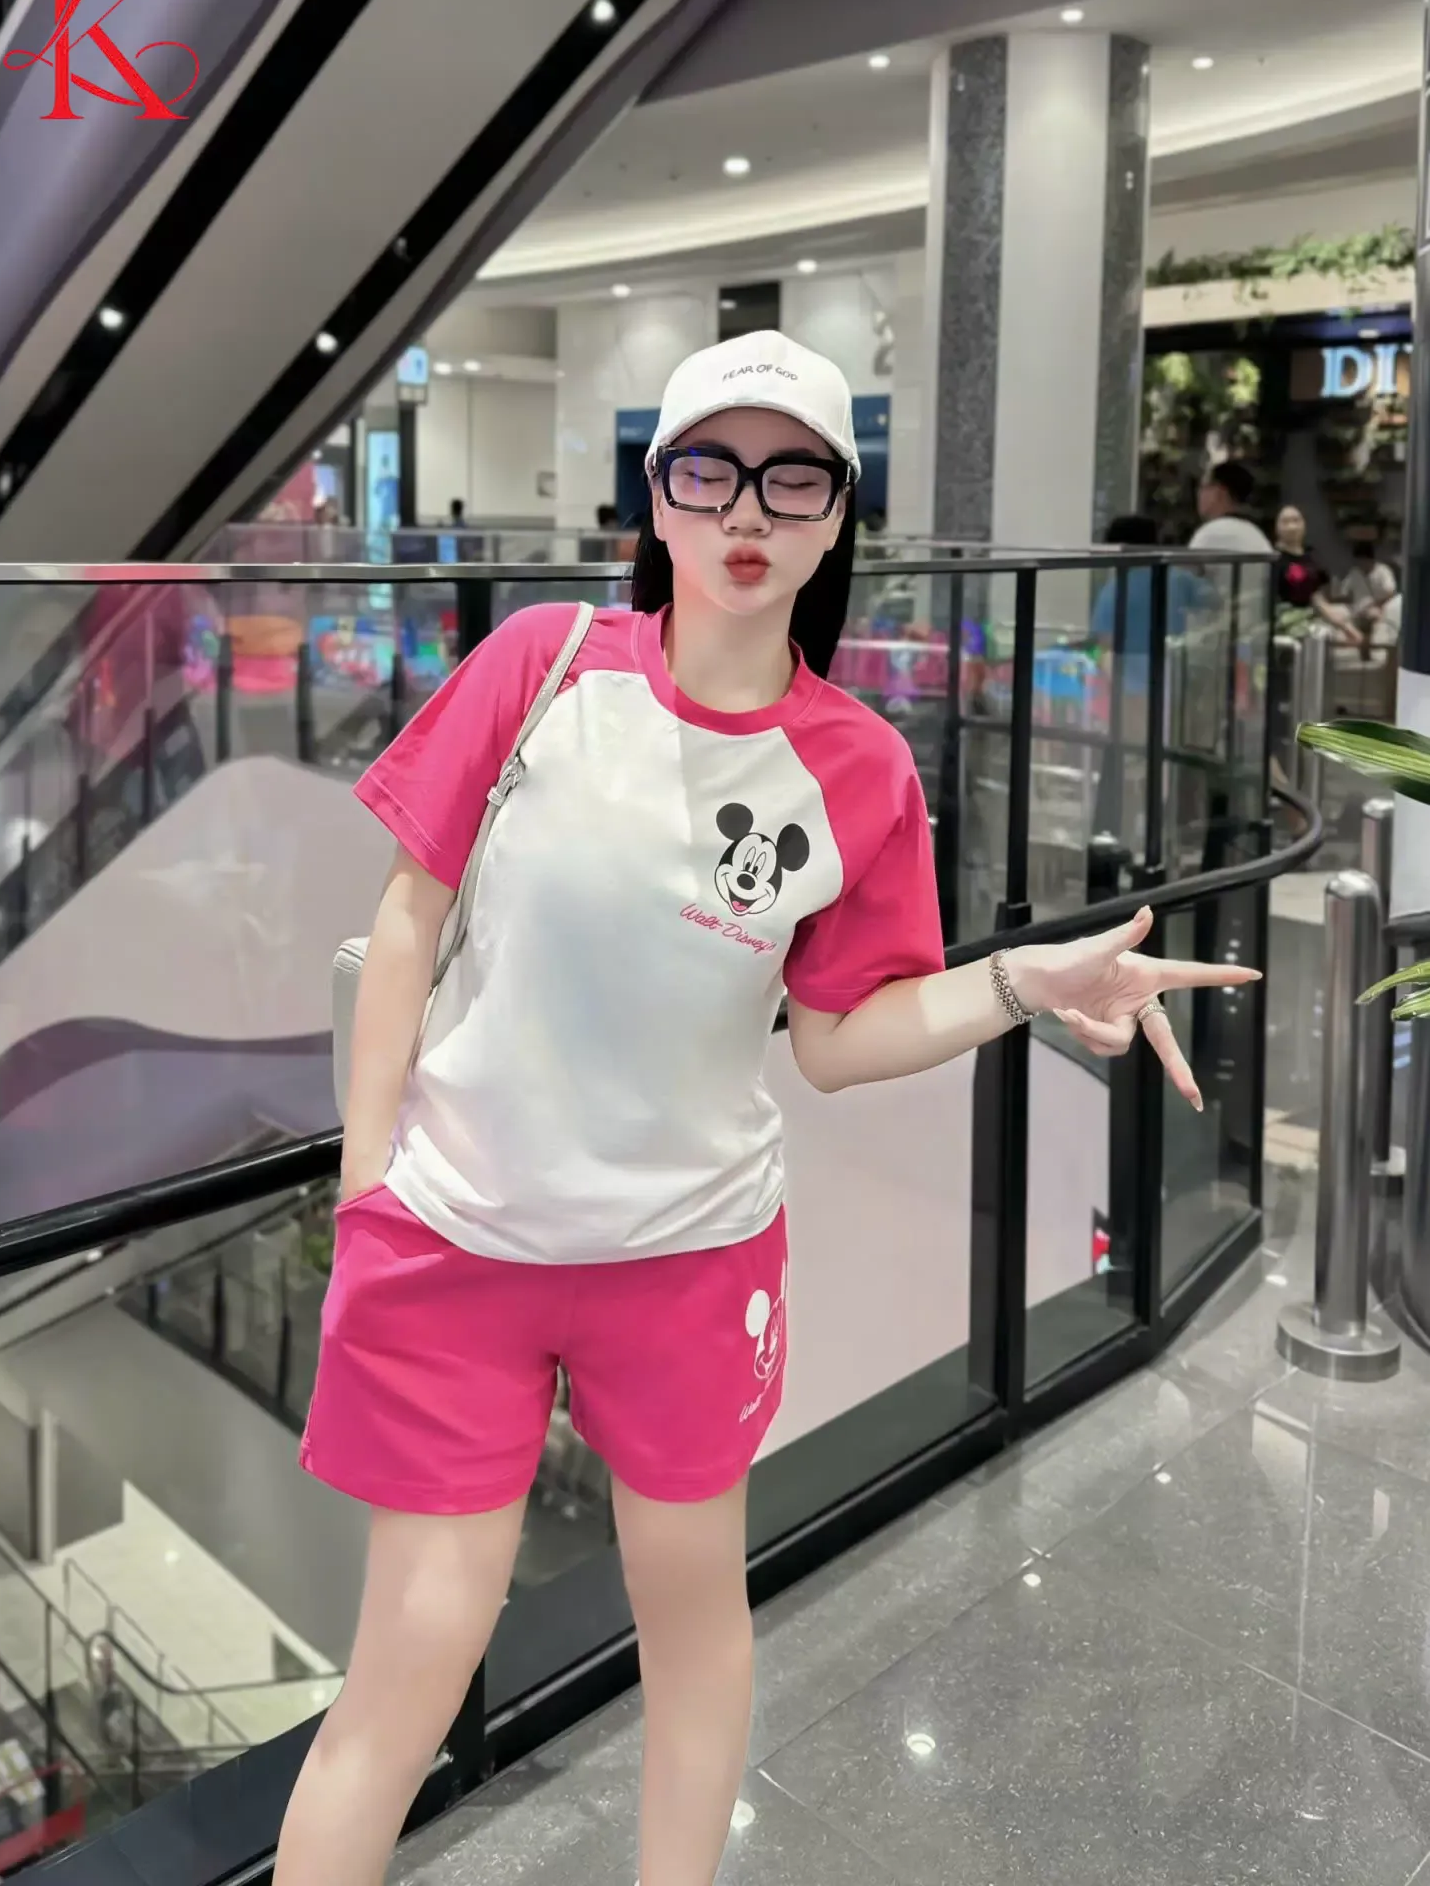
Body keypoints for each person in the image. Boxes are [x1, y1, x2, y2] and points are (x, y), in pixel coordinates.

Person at [280, 330, 1257, 1886]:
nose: (746, 509)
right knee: (402, 1677)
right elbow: (408, 919)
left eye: (792, 477)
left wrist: (1022, 984)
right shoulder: (541, 666)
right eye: (708, 471)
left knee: (692, 1625)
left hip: (688, 1259)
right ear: (655, 501)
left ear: (835, 517)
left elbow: (840, 1039)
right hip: (453, 1238)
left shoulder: (857, 767)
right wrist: (363, 1177)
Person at [1091, 514, 1206, 690]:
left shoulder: (1114, 589)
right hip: (1174, 674)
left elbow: (1104, 644)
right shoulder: (1179, 578)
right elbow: (1215, 604)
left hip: (1132, 681)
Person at [1189, 460, 1271, 556]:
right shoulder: (1256, 535)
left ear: (1219, 492)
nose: (1199, 494)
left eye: (1203, 487)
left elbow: (1185, 565)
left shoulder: (1211, 533)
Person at [1273, 505, 1326, 611]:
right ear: (1276, 527)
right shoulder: (1273, 558)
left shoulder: (1312, 554)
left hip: (1316, 611)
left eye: (1296, 521)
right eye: (1285, 522)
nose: (1291, 527)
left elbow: (1320, 589)